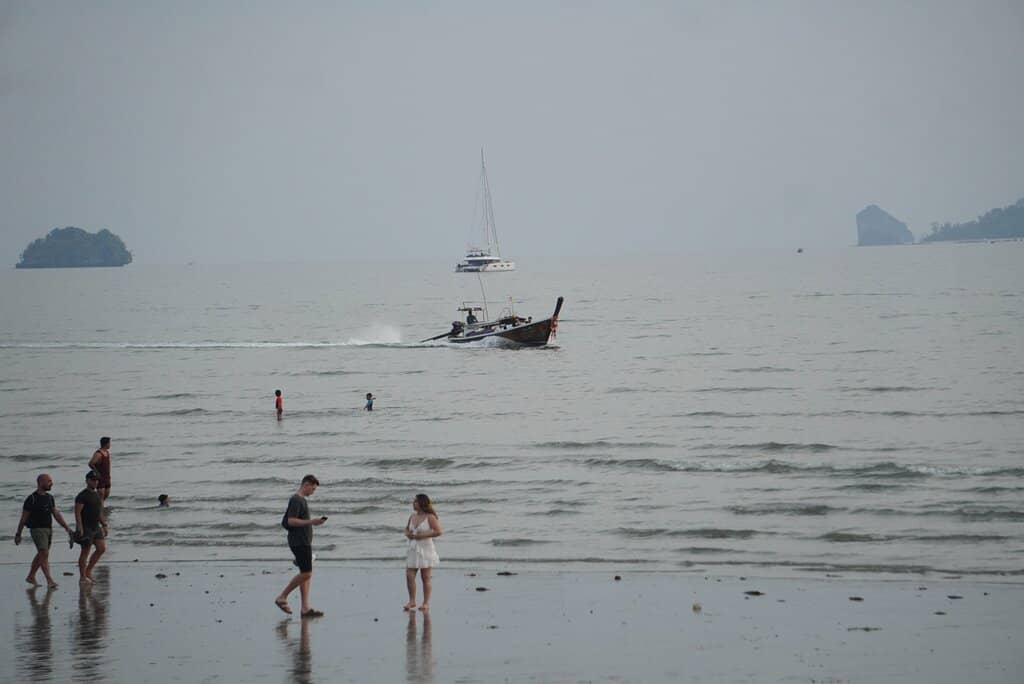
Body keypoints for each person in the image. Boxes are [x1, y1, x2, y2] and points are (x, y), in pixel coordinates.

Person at [275, 474, 326, 618]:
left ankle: (305, 608)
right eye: (313, 489)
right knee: (307, 573)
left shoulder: (301, 500)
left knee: (306, 573)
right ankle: (282, 597)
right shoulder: (296, 500)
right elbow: (291, 521)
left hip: (303, 542)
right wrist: (312, 522)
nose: (313, 492)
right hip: (299, 542)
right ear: (306, 484)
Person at [15, 473, 73, 588]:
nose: (51, 483)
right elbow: (24, 518)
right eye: (49, 481)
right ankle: (49, 580)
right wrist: (18, 533)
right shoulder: (31, 498)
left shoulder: (49, 497)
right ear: (41, 482)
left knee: (42, 554)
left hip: (48, 529)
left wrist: (67, 527)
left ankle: (31, 576)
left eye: (51, 481)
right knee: (44, 553)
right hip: (36, 529)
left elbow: (56, 513)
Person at [404, 493, 442, 611]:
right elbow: (406, 529)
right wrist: (408, 534)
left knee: (425, 577)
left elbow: (438, 531)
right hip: (413, 549)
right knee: (409, 575)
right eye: (413, 501)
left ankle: (426, 603)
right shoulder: (412, 516)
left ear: (421, 503)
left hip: (425, 549)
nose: (413, 503)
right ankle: (412, 601)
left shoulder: (430, 517)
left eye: (415, 501)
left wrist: (422, 536)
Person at [74, 471, 108, 584]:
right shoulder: (82, 495)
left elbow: (99, 512)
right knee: (85, 552)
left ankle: (88, 571)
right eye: (93, 480)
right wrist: (80, 528)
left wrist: (104, 524)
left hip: (96, 526)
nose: (95, 482)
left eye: (96, 480)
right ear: (87, 480)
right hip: (86, 527)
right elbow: (77, 512)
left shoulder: (97, 494)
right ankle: (82, 576)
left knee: (101, 548)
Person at [88, 436, 112, 503]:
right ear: (106, 444)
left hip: (107, 477)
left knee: (106, 495)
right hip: (100, 478)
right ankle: (99, 511)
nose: (110, 444)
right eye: (109, 443)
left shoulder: (107, 452)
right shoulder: (98, 454)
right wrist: (97, 472)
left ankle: (98, 508)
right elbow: (90, 463)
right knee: (101, 497)